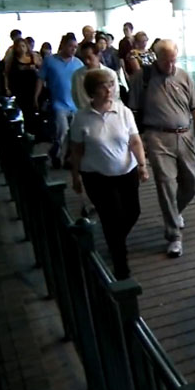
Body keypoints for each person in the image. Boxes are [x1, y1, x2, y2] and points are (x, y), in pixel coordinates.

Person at [128, 39, 195, 257]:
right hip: (157, 136)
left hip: (184, 135)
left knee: (194, 183)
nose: (170, 65)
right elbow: (134, 111)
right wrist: (140, 142)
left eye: (173, 60)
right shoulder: (143, 78)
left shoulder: (184, 76)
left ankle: (173, 213)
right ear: (156, 57)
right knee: (166, 184)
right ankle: (174, 234)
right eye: (166, 61)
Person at [69, 69, 149, 279]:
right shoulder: (81, 117)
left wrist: (142, 164)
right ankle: (121, 266)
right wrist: (75, 176)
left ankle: (115, 241)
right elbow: (76, 149)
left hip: (126, 171)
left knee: (132, 212)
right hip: (96, 176)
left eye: (111, 85)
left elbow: (135, 141)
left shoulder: (123, 112)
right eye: (102, 86)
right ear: (91, 91)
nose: (109, 90)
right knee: (111, 216)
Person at [35, 33, 84, 169]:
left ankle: (68, 158)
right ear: (63, 45)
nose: (73, 49)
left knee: (74, 134)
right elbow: (40, 79)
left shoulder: (78, 63)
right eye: (70, 46)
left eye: (75, 47)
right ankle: (55, 153)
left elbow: (83, 83)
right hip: (58, 104)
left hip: (75, 104)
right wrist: (36, 96)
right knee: (61, 131)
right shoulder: (50, 61)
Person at [5, 38, 40, 135]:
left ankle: (36, 131)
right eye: (18, 47)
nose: (21, 49)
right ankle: (28, 131)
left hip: (33, 88)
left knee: (35, 109)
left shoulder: (33, 57)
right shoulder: (12, 60)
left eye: (23, 46)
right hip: (20, 89)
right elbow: (6, 74)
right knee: (26, 110)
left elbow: (42, 70)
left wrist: (35, 69)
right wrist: (7, 88)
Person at [71, 41, 120, 111]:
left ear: (98, 56)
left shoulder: (110, 74)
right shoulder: (77, 75)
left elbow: (115, 95)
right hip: (85, 113)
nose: (86, 61)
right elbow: (75, 96)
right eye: (84, 58)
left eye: (89, 58)